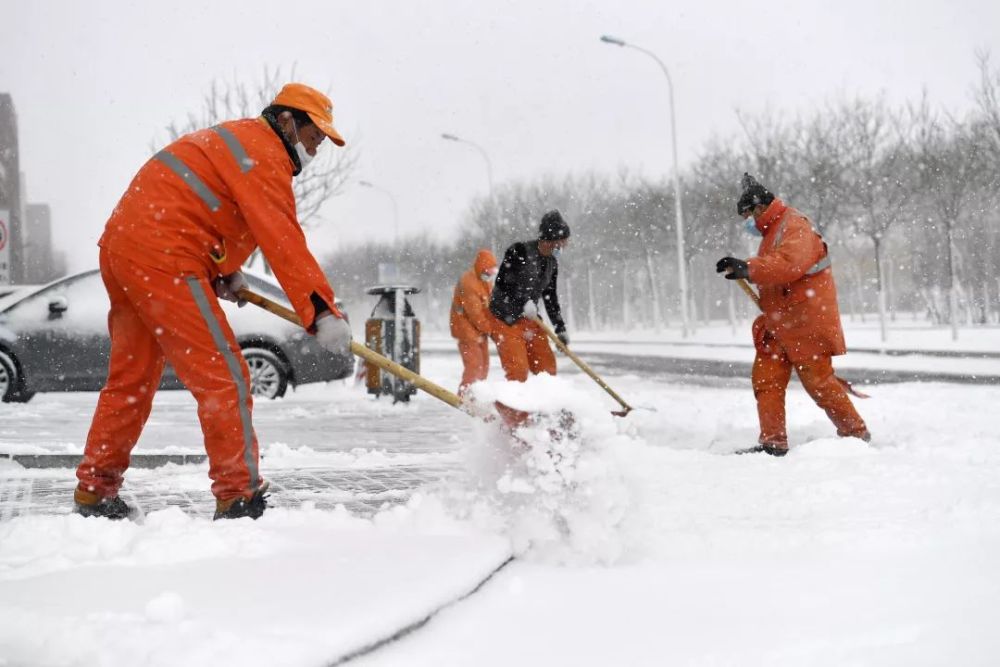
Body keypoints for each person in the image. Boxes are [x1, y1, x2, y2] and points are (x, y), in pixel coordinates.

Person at [74, 83, 353, 520]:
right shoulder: (263, 153)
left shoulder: (238, 141)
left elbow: (207, 208)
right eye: (313, 137)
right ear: (285, 121)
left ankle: (95, 489)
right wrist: (320, 310)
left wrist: (224, 271)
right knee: (225, 376)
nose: (314, 150)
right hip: (166, 255)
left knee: (132, 380)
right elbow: (281, 238)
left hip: (125, 249)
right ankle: (238, 494)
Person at [716, 173, 870, 456]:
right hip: (780, 322)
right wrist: (746, 269)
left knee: (818, 382)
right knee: (766, 380)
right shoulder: (772, 232)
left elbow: (789, 264)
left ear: (759, 207)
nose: (746, 223)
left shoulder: (794, 225)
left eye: (747, 215)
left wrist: (749, 268)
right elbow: (776, 270)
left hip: (805, 322)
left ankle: (855, 433)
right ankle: (772, 442)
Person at [489, 210, 571, 389]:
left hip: (530, 319)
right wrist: (523, 301)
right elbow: (502, 282)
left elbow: (550, 296)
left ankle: (548, 407)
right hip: (505, 319)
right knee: (518, 371)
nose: (565, 246)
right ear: (552, 241)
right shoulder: (519, 251)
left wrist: (560, 327)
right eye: (563, 242)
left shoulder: (552, 263)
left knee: (547, 369)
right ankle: (515, 409)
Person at [449, 248, 499, 394]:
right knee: (474, 365)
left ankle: (477, 394)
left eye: (492, 273)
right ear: (482, 268)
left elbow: (489, 306)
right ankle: (465, 396)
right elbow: (475, 314)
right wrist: (493, 331)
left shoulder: (485, 281)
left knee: (484, 364)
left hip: (479, 329)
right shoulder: (468, 283)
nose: (490, 276)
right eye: (489, 272)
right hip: (466, 329)